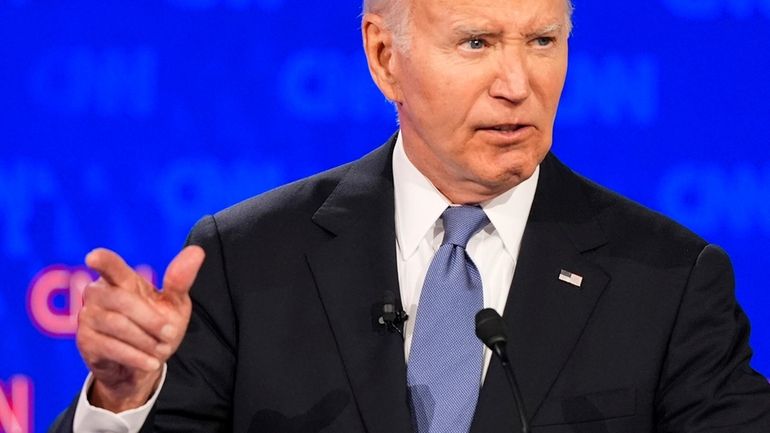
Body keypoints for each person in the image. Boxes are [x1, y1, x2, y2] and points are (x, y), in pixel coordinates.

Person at [51, 0, 770, 431]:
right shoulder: (247, 260)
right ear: (383, 55)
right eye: (477, 42)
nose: (518, 84)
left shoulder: (668, 279)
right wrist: (123, 395)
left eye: (542, 41)